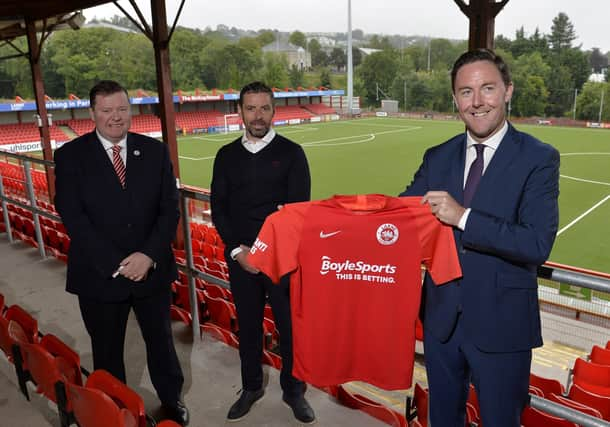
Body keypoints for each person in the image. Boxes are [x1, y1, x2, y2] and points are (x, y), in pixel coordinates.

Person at [400, 49, 560, 426]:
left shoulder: (539, 158)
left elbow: (536, 243)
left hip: (502, 327)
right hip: (442, 322)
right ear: (455, 99)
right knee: (442, 419)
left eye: (487, 88)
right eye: (466, 92)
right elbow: (401, 216)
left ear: (508, 91)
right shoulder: (437, 156)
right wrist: (320, 221)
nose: (477, 101)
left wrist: (463, 217)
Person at [54, 80, 189, 426]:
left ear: (131, 110)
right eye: (107, 110)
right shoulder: (70, 156)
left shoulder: (155, 151)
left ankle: (172, 400)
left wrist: (148, 255)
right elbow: (73, 215)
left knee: (161, 343)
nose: (116, 117)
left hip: (152, 270)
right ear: (92, 113)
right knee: (107, 349)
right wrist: (116, 263)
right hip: (99, 275)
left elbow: (169, 210)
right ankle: (115, 408)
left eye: (122, 109)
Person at [210, 81, 315, 424]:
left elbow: (297, 213)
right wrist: (238, 251)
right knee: (250, 328)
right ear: (240, 112)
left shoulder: (292, 153)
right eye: (251, 108)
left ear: (273, 110)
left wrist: (268, 253)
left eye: (264, 108)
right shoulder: (226, 156)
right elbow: (220, 208)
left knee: (290, 328)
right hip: (242, 260)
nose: (258, 115)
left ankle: (294, 391)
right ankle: (251, 386)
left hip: (282, 261)